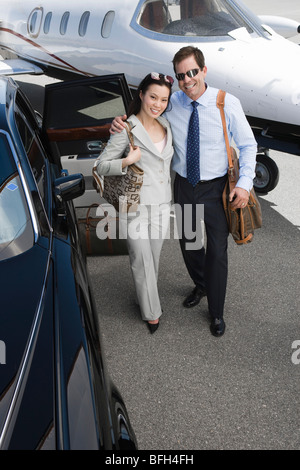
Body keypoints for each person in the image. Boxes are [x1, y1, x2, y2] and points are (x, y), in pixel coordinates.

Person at [111, 46, 257, 337]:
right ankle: (201, 284)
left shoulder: (226, 103)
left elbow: (248, 145)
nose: (187, 80)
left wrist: (244, 183)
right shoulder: (172, 102)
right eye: (181, 76)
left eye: (192, 72)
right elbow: (145, 113)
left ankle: (216, 313)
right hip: (185, 186)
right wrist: (119, 122)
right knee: (189, 243)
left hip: (217, 189)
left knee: (217, 251)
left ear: (203, 71)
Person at [95, 72, 174, 334]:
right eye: (153, 97)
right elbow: (100, 166)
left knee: (153, 257)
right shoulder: (126, 128)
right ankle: (152, 313)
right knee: (141, 259)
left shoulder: (166, 124)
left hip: (162, 205)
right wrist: (127, 161)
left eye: (163, 99)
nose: (157, 104)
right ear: (141, 95)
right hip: (135, 206)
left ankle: (144, 295)